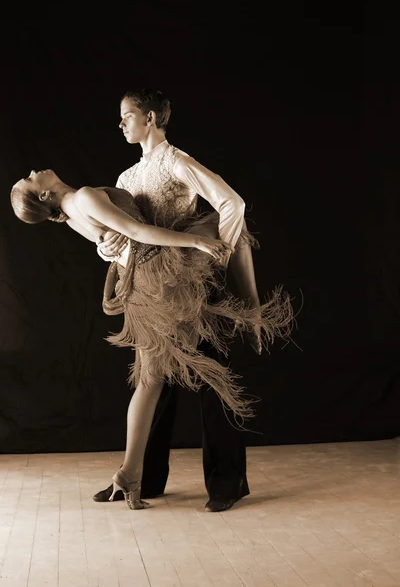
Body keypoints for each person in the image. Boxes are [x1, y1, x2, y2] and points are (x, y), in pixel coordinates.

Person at [10, 168, 293, 511]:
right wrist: (194, 240)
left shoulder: (68, 214)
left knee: (151, 381)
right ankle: (252, 311)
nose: (32, 172)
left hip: (139, 286)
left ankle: (129, 473)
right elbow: (135, 231)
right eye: (29, 179)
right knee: (229, 218)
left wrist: (108, 245)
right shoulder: (82, 196)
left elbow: (113, 241)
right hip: (163, 274)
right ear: (42, 195)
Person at [92, 88, 293, 512]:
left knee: (212, 380)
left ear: (149, 117)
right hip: (155, 292)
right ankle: (145, 478)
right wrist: (108, 247)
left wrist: (213, 253)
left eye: (127, 115)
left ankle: (227, 483)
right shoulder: (127, 178)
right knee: (156, 384)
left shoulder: (176, 161)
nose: (121, 123)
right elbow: (121, 237)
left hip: (194, 287)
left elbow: (231, 203)